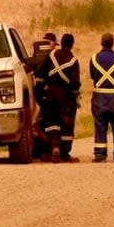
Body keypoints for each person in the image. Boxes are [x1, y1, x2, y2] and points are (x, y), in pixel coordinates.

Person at [36, 33, 81, 162]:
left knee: (51, 123)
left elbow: (39, 74)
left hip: (50, 95)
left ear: (61, 42)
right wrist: (75, 95)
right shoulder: (73, 60)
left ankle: (53, 148)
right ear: (72, 44)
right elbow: (75, 84)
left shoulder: (51, 55)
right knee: (66, 125)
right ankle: (65, 154)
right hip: (65, 97)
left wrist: (41, 90)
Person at [90, 32, 114, 163]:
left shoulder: (94, 58)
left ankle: (100, 155)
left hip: (99, 98)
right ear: (112, 43)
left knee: (100, 125)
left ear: (101, 43)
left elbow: (93, 76)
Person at [27, 32, 57, 159]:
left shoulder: (36, 57)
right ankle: (47, 149)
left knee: (40, 122)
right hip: (47, 96)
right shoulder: (55, 58)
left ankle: (41, 150)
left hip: (37, 96)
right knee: (47, 122)